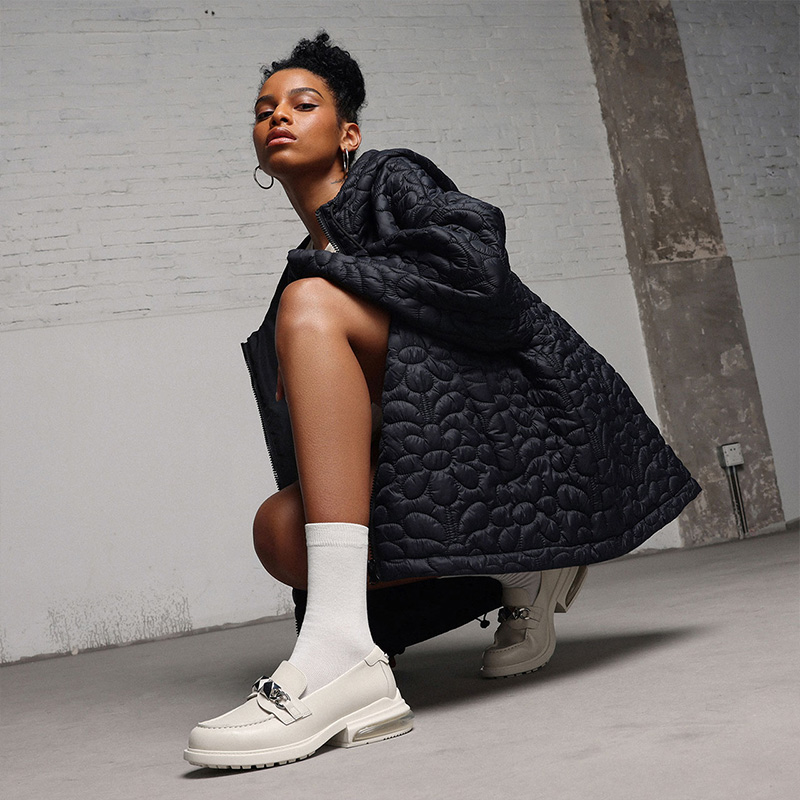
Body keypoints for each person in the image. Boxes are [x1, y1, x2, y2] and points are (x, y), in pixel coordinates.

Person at [184, 32, 700, 770]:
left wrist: (323, 286)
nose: (278, 118)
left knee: (311, 302)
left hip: (521, 423)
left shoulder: (390, 179)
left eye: (303, 104)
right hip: (437, 465)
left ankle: (341, 657)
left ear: (348, 134)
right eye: (264, 110)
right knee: (279, 530)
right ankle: (506, 578)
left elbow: (481, 271)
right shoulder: (298, 285)